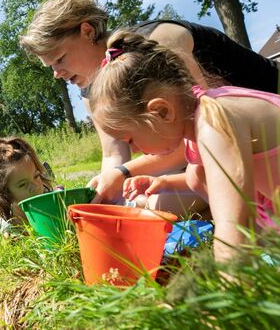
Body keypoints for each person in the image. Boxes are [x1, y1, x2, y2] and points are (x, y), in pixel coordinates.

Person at [19, 0, 280, 213]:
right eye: (50, 66)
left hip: (262, 125)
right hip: (219, 150)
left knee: (160, 203)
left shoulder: (154, 46)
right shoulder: (94, 92)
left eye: (60, 59)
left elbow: (196, 132)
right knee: (145, 199)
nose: (56, 74)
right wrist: (101, 195)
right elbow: (114, 155)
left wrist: (125, 174)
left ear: (87, 31)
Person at [88, 29, 280, 262]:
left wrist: (227, 277)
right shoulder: (200, 121)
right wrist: (165, 182)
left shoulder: (214, 125)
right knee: (195, 174)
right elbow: (213, 176)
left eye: (130, 139)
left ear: (161, 111)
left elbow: (234, 226)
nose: (135, 150)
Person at [0, 137, 53, 224]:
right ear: (5, 193)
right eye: (22, 184)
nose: (34, 186)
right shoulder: (10, 229)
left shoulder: (55, 207)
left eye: (36, 176)